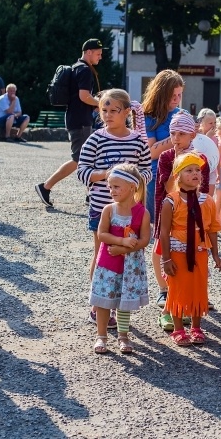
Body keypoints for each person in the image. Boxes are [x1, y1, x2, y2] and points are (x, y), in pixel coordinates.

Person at [78, 89, 152, 327]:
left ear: (127, 112)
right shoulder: (95, 139)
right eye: (104, 110)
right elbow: (82, 171)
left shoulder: (138, 141)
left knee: (126, 257)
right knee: (102, 255)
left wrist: (133, 180)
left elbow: (147, 170)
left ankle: (121, 302)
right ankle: (98, 305)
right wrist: (106, 175)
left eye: (113, 110)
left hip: (131, 211)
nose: (108, 115)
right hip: (102, 208)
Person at [153, 112, 212, 331]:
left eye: (181, 134)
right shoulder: (166, 156)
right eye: (172, 133)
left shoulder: (200, 159)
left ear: (192, 135)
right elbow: (169, 188)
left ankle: (189, 309)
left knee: (192, 267)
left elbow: (203, 191)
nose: (175, 138)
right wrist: (177, 162)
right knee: (170, 263)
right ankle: (168, 308)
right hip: (171, 215)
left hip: (193, 221)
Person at [159, 152, 221, 346]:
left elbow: (212, 229)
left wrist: (216, 255)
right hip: (177, 253)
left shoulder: (208, 200)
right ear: (178, 176)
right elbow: (164, 232)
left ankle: (196, 327)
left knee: (198, 288)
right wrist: (166, 259)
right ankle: (178, 329)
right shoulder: (170, 201)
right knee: (177, 289)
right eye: (188, 170)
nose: (195, 173)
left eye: (197, 170)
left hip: (200, 252)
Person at [89, 163, 151, 354]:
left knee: (124, 302)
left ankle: (123, 336)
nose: (112, 190)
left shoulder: (143, 213)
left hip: (130, 266)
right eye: (110, 186)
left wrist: (123, 249)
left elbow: (145, 239)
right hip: (108, 263)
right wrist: (121, 241)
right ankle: (101, 336)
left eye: (116, 186)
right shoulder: (109, 209)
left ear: (132, 187)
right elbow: (102, 234)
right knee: (103, 301)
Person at [35, 39, 104, 207]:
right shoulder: (85, 70)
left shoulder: (76, 67)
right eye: (98, 54)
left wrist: (95, 105)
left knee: (89, 157)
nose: (100, 57)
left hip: (77, 118)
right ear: (88, 52)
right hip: (80, 121)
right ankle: (45, 187)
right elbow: (84, 96)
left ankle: (91, 194)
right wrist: (102, 104)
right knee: (79, 159)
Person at [141, 70, 186, 309]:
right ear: (161, 93)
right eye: (173, 95)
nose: (177, 100)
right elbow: (150, 152)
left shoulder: (181, 114)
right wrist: (176, 137)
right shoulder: (149, 116)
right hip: (157, 179)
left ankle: (184, 286)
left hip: (183, 178)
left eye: (180, 95)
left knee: (182, 233)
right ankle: (163, 289)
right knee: (161, 234)